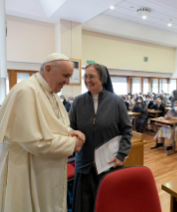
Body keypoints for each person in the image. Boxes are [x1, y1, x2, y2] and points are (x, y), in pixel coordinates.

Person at [0, 53, 85, 212]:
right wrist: (72, 143)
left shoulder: (50, 92)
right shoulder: (26, 91)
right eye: (65, 76)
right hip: (22, 168)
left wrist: (70, 132)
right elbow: (35, 143)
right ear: (48, 69)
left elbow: (54, 124)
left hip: (40, 168)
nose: (68, 81)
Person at [70, 64, 132, 212]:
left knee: (108, 205)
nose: (87, 80)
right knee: (84, 207)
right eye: (85, 76)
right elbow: (69, 127)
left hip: (109, 165)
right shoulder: (78, 102)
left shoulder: (116, 102)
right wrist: (73, 138)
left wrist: (121, 155)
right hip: (84, 166)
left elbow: (127, 131)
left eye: (91, 76)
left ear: (102, 79)